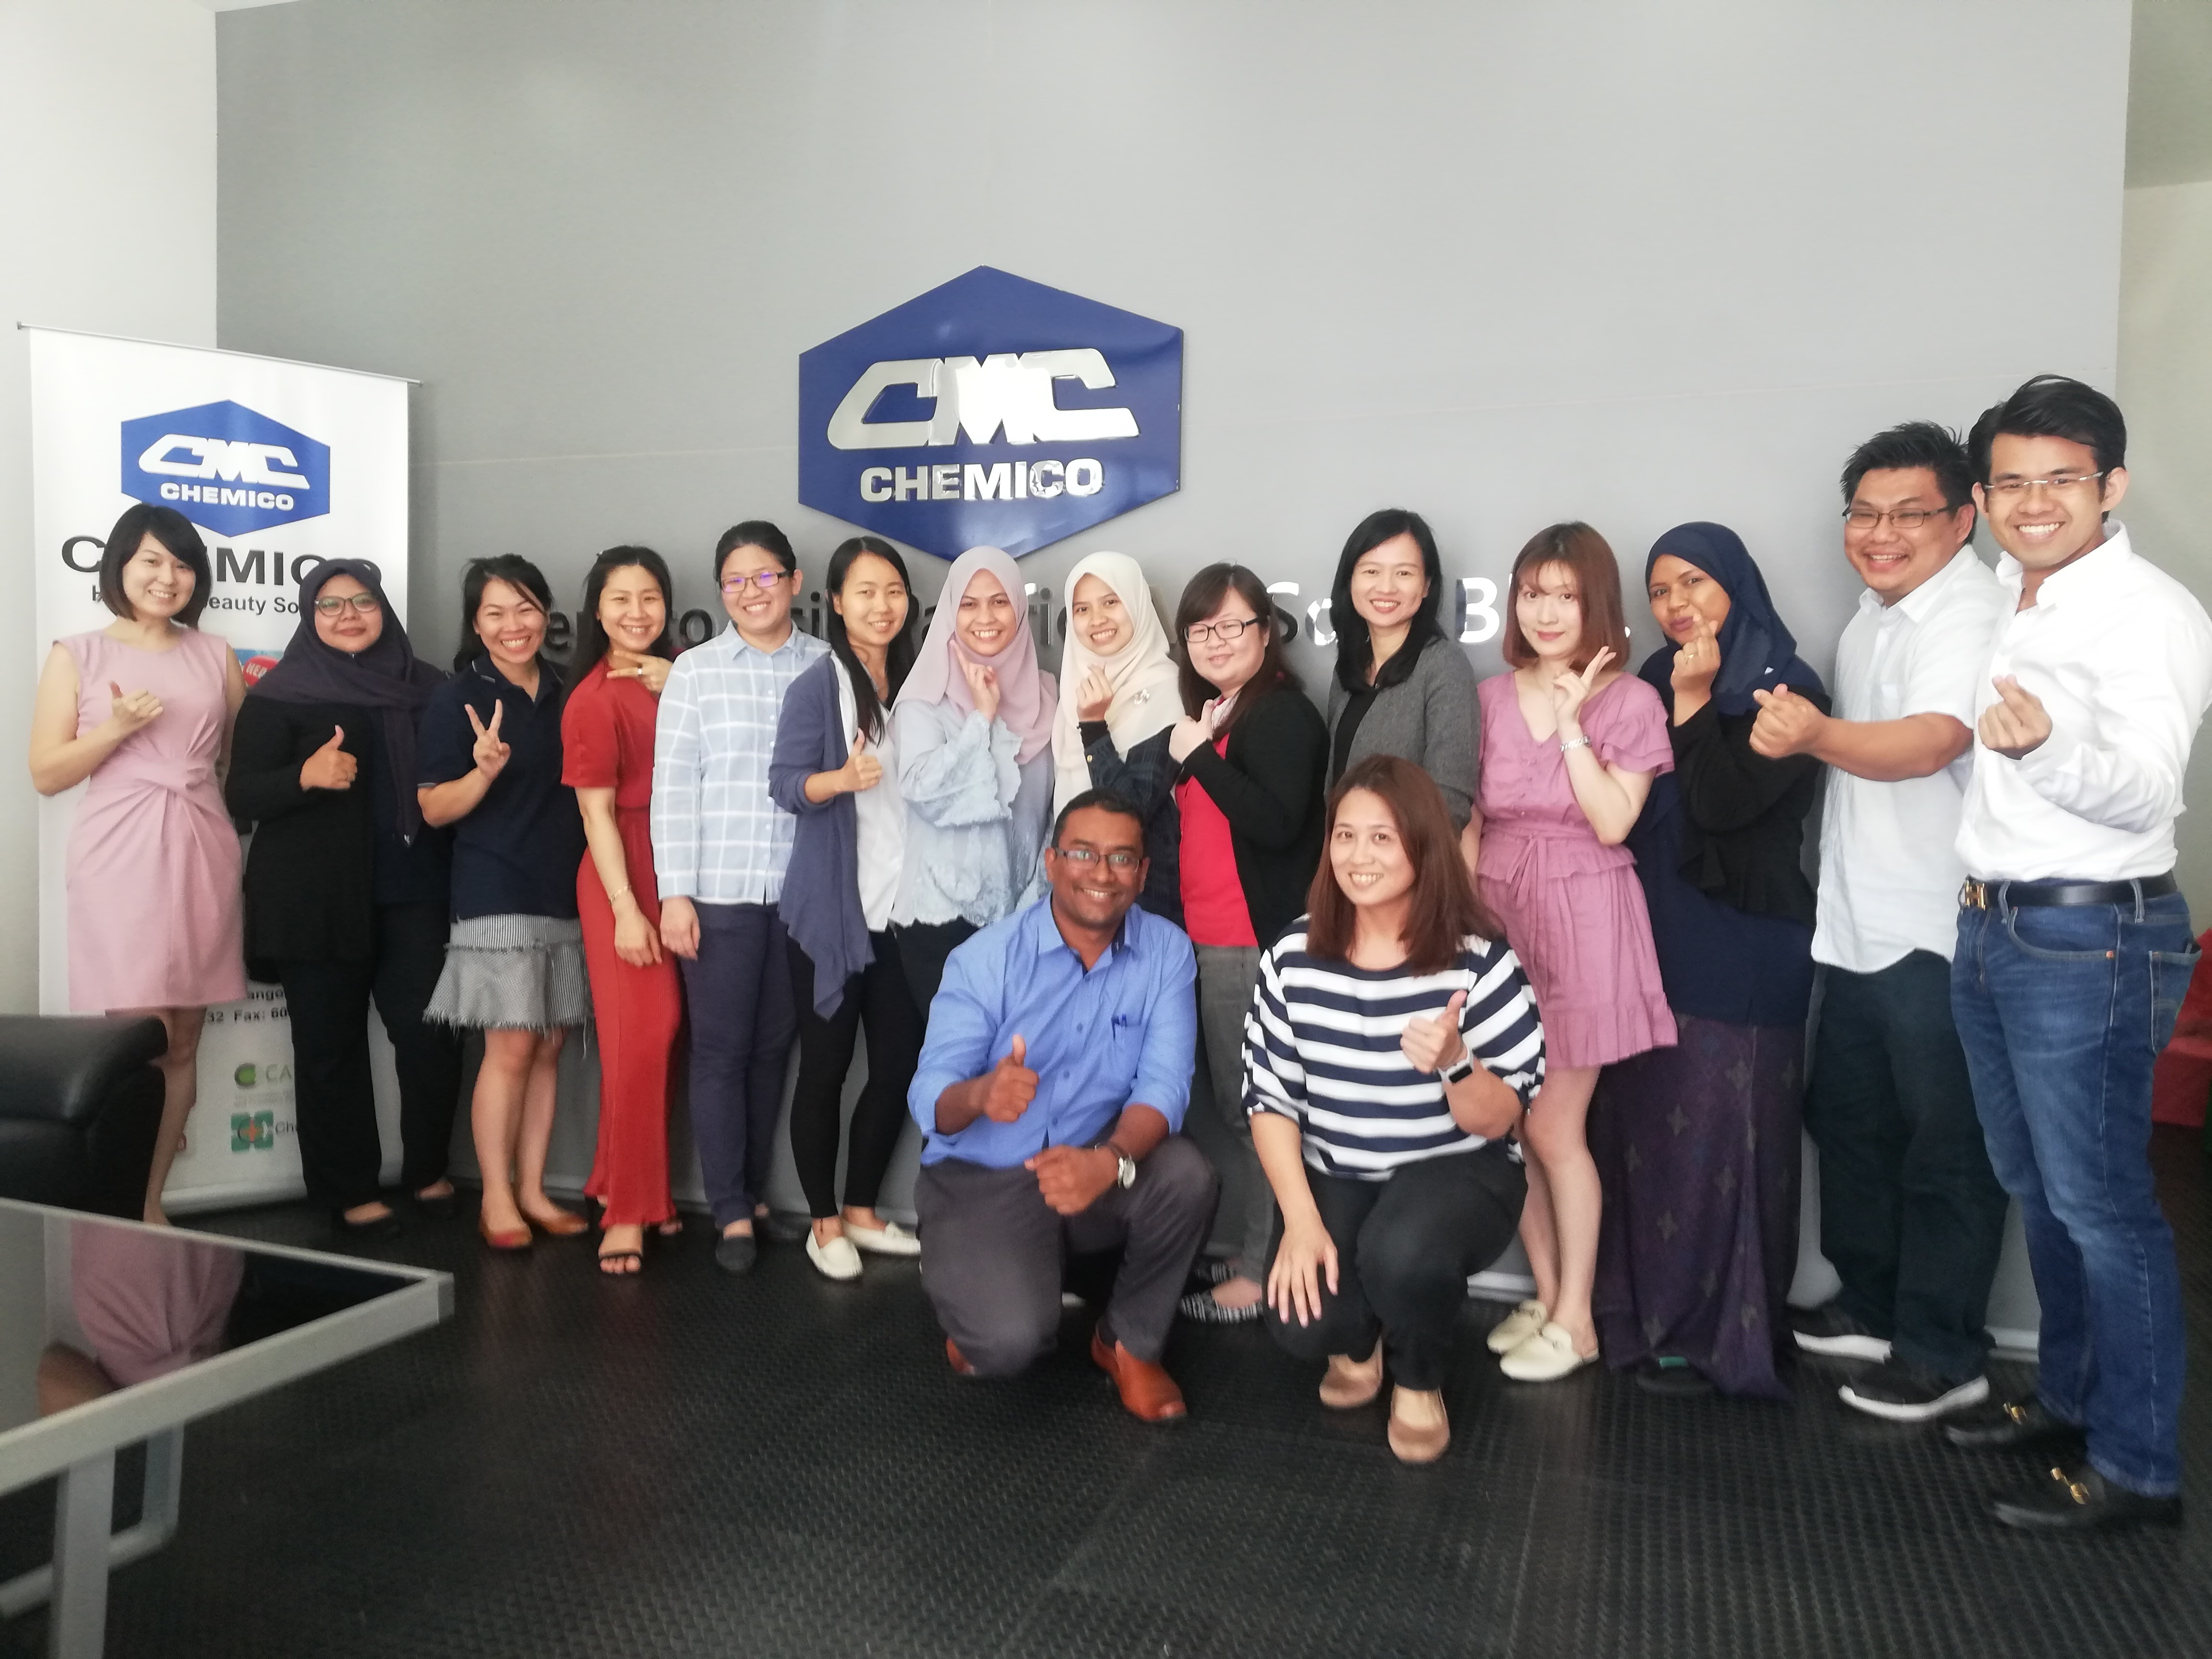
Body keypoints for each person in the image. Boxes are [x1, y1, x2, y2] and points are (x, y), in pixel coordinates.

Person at [1944, 377, 2210, 1531]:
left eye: (2061, 479)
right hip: (1994, 924)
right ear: (1985, 496)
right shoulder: (2018, 596)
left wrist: (2046, 750)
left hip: (2089, 934)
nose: (2034, 501)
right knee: (2038, 1187)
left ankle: (2138, 1466)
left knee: (2103, 1206)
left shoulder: (2149, 612)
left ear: (2112, 486)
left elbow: (2149, 789)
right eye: (2011, 481)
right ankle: (2068, 1399)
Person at [1749, 421, 2011, 1423]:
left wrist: (1815, 733)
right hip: (1858, 925)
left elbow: (1931, 741)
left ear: (1963, 517)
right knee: (1849, 1120)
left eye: (1909, 514)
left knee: (1947, 1148)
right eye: (1865, 513)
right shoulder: (1871, 621)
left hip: (1943, 931)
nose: (1881, 533)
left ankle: (1944, 1353)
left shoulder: (1969, 613)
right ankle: (1871, 1304)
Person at [1589, 523, 1826, 1399]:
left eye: (1693, 582)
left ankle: (1726, 1339)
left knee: (1727, 1136)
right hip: (1653, 933)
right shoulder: (1652, 676)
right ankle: (1648, 1319)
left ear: (1736, 584)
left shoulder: (1787, 686)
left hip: (1742, 945)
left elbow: (1724, 806)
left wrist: (1692, 706)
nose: (1675, 603)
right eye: (1659, 590)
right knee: (1648, 1133)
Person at [1249, 757, 1542, 1463]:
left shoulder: (1480, 962)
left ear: (1423, 844)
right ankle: (1359, 1343)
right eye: (1345, 836)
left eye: (1382, 838)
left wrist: (1456, 1061)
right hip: (1342, 1169)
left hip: (1458, 1172)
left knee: (1403, 1252)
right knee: (1302, 1319)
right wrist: (1301, 1221)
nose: (1359, 856)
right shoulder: (1291, 956)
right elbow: (1270, 1099)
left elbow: (1500, 1119)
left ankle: (1419, 1377)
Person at [906, 791, 1214, 1422]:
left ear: (1143, 874)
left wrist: (1111, 1160)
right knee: (1006, 1345)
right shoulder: (986, 958)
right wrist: (981, 1094)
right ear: (1052, 863)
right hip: (985, 1176)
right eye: (1083, 853)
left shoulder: (1167, 953)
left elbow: (1164, 1087)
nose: (1102, 872)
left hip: (1090, 1165)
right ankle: (981, 1307)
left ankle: (1127, 1344)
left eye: (1121, 858)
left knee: (1187, 1175)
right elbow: (929, 1092)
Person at [1469, 522, 1675, 1382]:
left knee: (1555, 1124)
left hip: (1585, 912)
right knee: (1508, 1123)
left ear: (1596, 602)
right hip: (1497, 911)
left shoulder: (1629, 700)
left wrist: (1568, 726)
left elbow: (1613, 820)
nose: (1546, 611)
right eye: (1531, 593)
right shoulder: (1486, 697)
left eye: (1564, 594)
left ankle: (1579, 1320)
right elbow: (1469, 818)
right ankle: (1550, 1299)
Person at [225, 558, 460, 1239]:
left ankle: (428, 1170)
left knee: (432, 1039)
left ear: (383, 607)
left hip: (415, 891)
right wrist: (304, 774)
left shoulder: (429, 689)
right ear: (310, 615)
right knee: (329, 1050)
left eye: (362, 601)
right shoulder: (282, 693)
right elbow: (242, 794)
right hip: (314, 899)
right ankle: (347, 1189)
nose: (348, 615)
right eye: (330, 605)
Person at [29, 503, 246, 1225]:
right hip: (119, 849)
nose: (168, 577)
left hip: (202, 842)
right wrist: (116, 730)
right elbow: (47, 773)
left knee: (185, 1034)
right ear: (120, 565)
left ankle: (150, 1205)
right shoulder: (78, 653)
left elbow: (235, 764)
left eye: (182, 565)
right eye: (152, 560)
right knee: (138, 1033)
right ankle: (115, 1206)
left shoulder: (215, 654)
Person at [652, 521, 829, 1274]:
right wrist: (674, 894)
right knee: (722, 1054)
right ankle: (728, 1210)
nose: (752, 592)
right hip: (718, 894)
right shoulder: (694, 672)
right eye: (735, 581)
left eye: (765, 577)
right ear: (721, 591)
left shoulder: (826, 664)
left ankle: (753, 1197)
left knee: (771, 1052)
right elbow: (673, 789)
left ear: (794, 582)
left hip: (800, 895)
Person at [1162, 565, 1328, 1324]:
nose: (1217, 641)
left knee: (1258, 1111)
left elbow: (1277, 822)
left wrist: (1197, 756)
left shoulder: (1282, 713)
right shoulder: (1223, 713)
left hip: (1249, 944)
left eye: (1233, 625)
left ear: (1267, 632)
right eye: (1202, 629)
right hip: (1209, 939)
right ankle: (1266, 1249)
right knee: (1243, 1108)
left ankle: (1267, 1273)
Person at [418, 555, 591, 1252]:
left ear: (546, 613)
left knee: (549, 1043)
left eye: (524, 609)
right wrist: (483, 773)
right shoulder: (457, 697)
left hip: (568, 889)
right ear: (476, 621)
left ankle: (533, 1190)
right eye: (495, 613)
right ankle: (495, 1195)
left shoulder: (571, 688)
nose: (512, 626)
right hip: (496, 889)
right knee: (513, 1043)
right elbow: (434, 809)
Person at [769, 535, 927, 1280]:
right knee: (827, 1068)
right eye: (865, 592)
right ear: (835, 602)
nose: (881, 605)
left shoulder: (921, 681)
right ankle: (824, 1223)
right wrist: (838, 779)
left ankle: (863, 1211)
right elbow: (785, 784)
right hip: (833, 911)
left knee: (898, 1065)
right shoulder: (817, 684)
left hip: (904, 910)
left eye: (893, 590)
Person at [561, 546, 685, 1275]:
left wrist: (681, 682)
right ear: (597, 612)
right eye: (620, 599)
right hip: (624, 873)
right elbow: (596, 816)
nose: (637, 613)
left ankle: (621, 1181)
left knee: (664, 1042)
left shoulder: (684, 674)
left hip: (682, 868)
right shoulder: (593, 699)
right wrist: (626, 911)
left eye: (650, 598)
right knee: (642, 1038)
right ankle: (627, 1213)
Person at [888, 545, 1058, 1012]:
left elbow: (1055, 808)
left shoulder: (1048, 693)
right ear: (951, 611)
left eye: (1000, 601)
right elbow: (924, 792)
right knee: (958, 1052)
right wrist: (982, 719)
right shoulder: (925, 698)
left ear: (1018, 608)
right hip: (941, 918)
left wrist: (1040, 895)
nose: (986, 617)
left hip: (1025, 914)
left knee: (1018, 1051)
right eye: (969, 604)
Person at [1322, 509, 1479, 828]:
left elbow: (1450, 800)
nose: (1386, 587)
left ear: (1427, 585)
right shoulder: (1348, 669)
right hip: (1347, 851)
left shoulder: (1444, 666)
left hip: (1410, 855)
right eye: (1371, 571)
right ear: (1350, 580)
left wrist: (1396, 852)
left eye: (1404, 573)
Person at [1049, 551, 1183, 922]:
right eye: (1082, 609)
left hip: (1141, 900)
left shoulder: (1167, 688)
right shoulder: (1074, 687)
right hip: (1075, 892)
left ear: (1137, 604)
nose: (1097, 620)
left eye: (1111, 602)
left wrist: (1094, 727)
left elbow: (1131, 809)